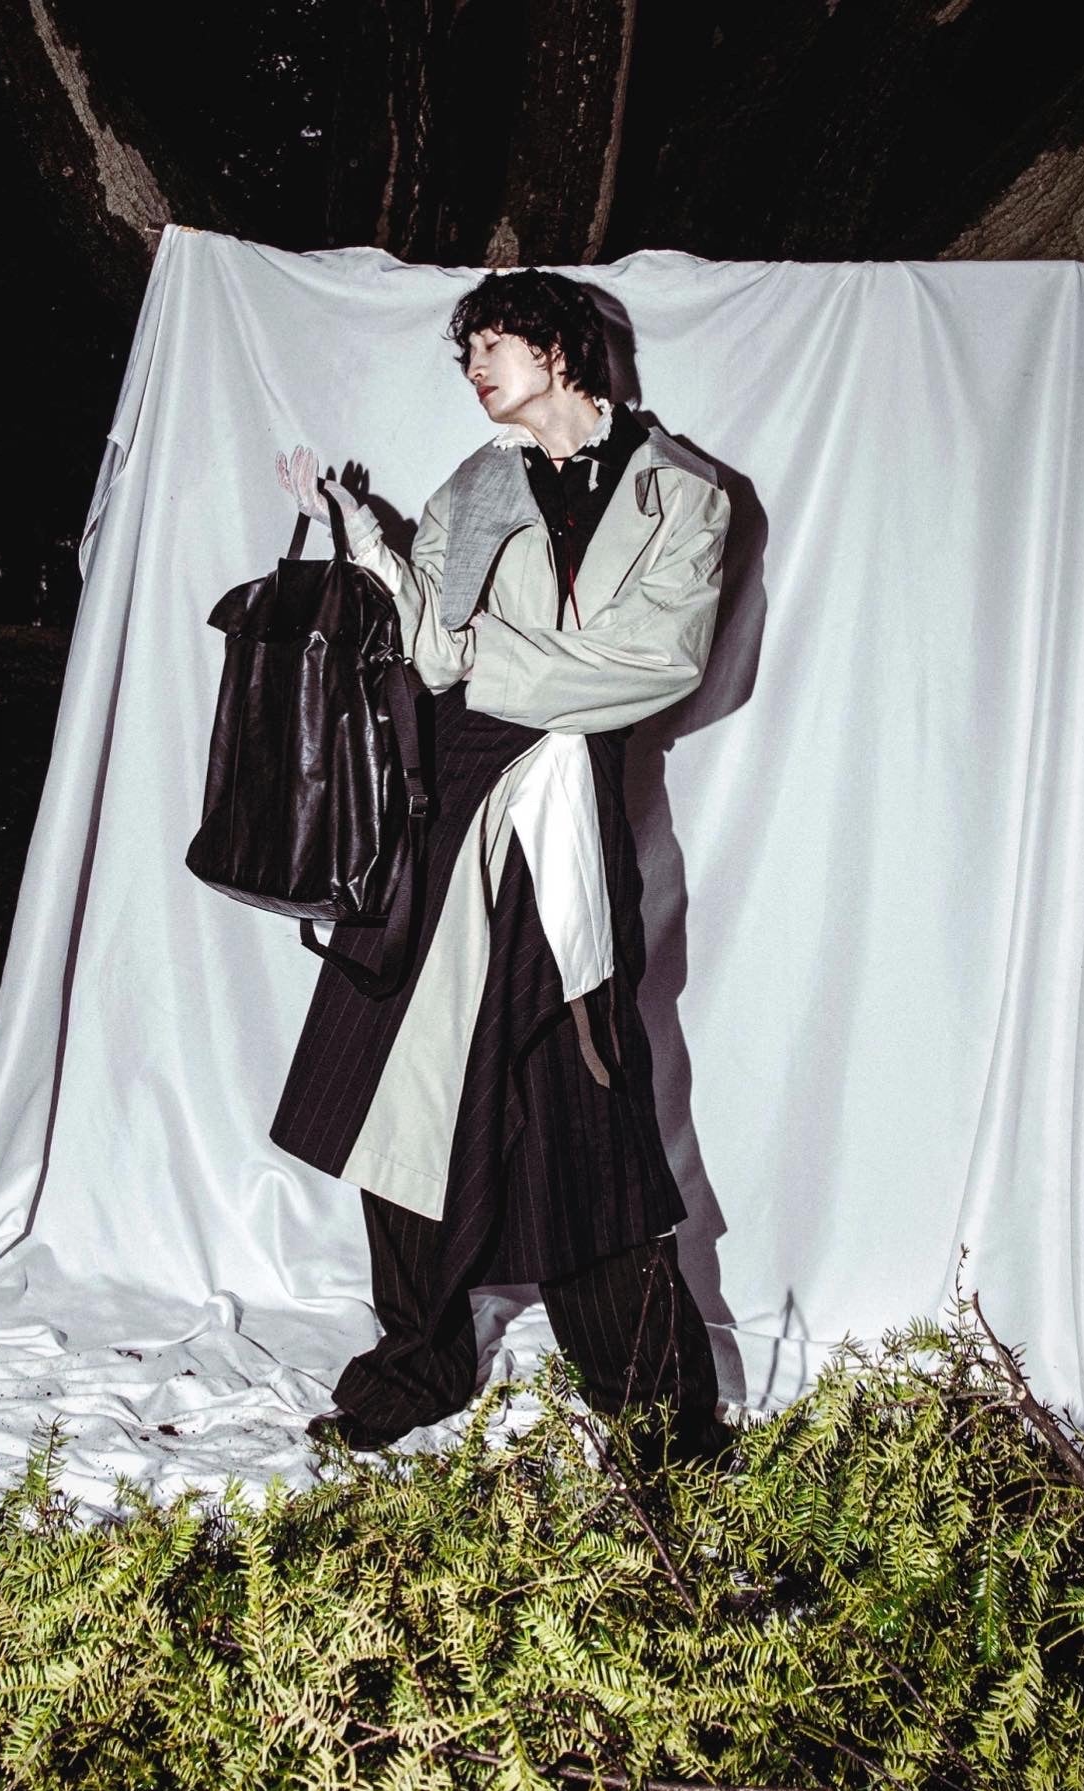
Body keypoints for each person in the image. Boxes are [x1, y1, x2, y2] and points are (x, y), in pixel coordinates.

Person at [271, 268, 731, 1457]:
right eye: (466, 349)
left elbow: (659, 662)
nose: (475, 366)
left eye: (494, 342)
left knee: (584, 1108)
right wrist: (366, 545)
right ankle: (417, 1365)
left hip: (564, 819)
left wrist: (483, 654)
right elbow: (427, 649)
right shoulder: (473, 485)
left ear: (562, 349)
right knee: (405, 1097)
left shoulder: (685, 494)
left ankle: (658, 1414)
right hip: (444, 811)